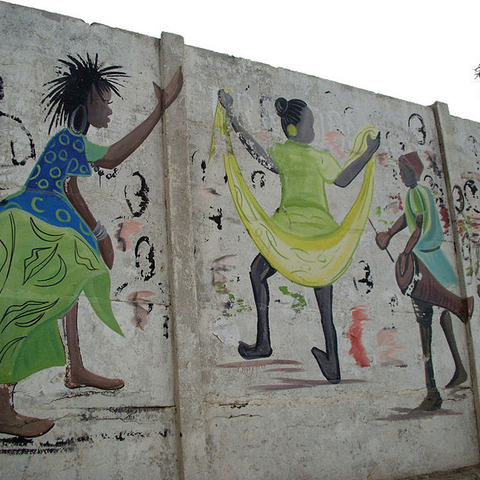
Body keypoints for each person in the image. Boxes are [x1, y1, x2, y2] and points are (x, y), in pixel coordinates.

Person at [0, 54, 183, 437]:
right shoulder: (68, 139)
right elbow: (112, 157)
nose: (111, 108)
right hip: (34, 223)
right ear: (88, 105)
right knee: (26, 309)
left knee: (69, 285)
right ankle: (3, 406)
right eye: (105, 100)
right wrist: (158, 111)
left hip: (42, 216)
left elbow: (71, 187)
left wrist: (97, 234)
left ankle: (76, 367)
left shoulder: (71, 141)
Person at [217, 90, 380, 384]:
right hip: (319, 236)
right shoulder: (318, 157)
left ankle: (264, 341)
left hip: (289, 234)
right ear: (294, 129)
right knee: (323, 300)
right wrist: (367, 153)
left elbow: (257, 152)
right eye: (310, 125)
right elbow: (343, 179)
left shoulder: (285, 152)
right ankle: (332, 360)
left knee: (258, 272)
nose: (314, 131)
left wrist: (233, 119)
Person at [376, 152, 473, 410]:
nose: (401, 174)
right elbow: (409, 220)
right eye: (400, 170)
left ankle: (432, 391)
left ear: (414, 172)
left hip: (423, 262)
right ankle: (459, 369)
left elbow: (417, 228)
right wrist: (389, 233)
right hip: (434, 258)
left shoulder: (416, 193)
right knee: (443, 313)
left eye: (404, 170)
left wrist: (406, 252)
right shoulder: (419, 194)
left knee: (425, 321)